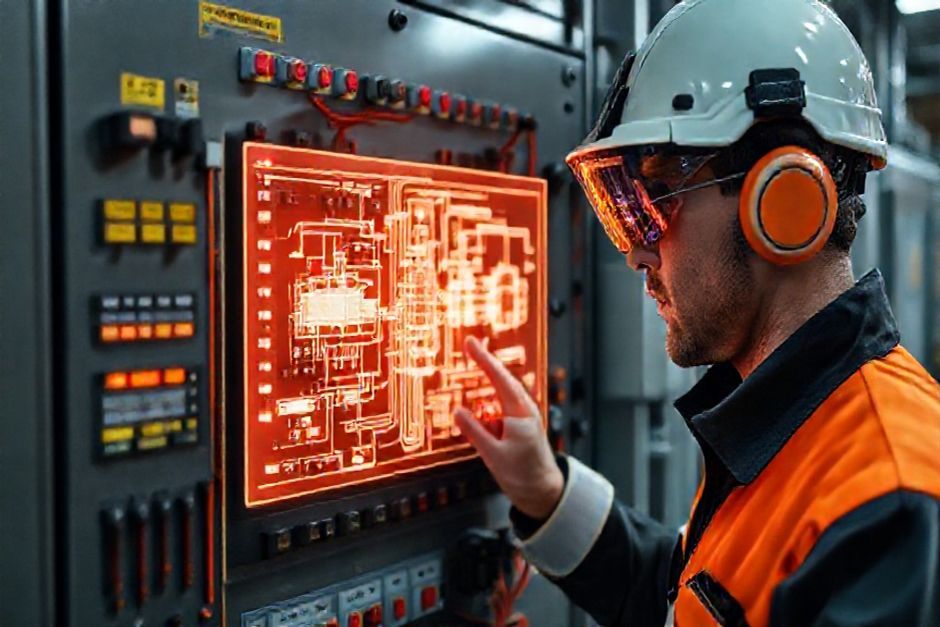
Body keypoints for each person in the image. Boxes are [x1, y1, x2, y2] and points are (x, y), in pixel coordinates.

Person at [453, 0, 940, 625]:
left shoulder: (890, 503)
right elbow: (690, 598)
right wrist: (544, 491)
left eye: (655, 203)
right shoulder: (789, 426)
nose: (637, 253)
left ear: (784, 200)